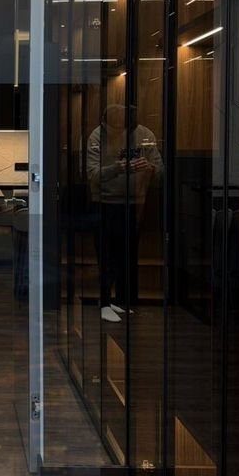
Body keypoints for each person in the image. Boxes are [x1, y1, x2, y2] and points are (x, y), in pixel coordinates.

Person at [86, 104, 163, 320]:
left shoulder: (145, 135)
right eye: (113, 127)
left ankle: (122, 299)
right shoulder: (97, 136)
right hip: (104, 202)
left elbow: (161, 171)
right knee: (106, 255)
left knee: (127, 255)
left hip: (136, 204)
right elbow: (92, 174)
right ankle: (104, 301)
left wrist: (149, 168)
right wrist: (119, 168)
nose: (118, 132)